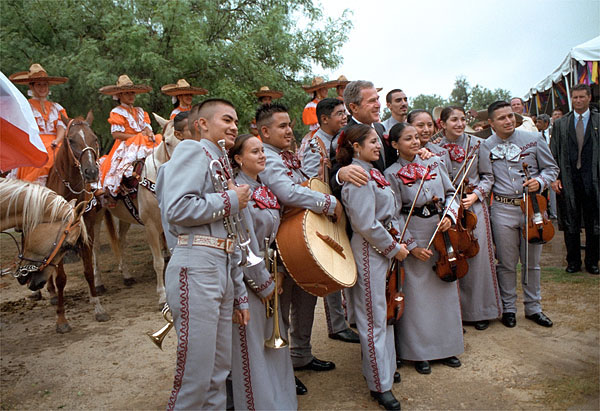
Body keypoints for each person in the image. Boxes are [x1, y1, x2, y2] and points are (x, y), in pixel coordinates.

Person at [156, 99, 251, 410]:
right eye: (226, 119)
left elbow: (232, 233)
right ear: (202, 125)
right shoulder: (193, 150)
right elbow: (178, 209)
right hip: (196, 265)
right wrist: (231, 199)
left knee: (218, 370)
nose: (234, 126)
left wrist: (238, 294)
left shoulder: (221, 163)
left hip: (219, 266)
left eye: (236, 121)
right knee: (195, 374)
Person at [256, 103, 342, 395]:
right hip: (279, 240)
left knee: (306, 298)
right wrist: (328, 202)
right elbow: (287, 192)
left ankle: (301, 355)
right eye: (282, 126)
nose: (289, 130)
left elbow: (302, 183)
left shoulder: (286, 154)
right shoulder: (264, 156)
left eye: (290, 124)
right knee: (281, 307)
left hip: (300, 236)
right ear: (264, 131)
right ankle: (281, 370)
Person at [338, 124, 409, 410]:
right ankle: (379, 385)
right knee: (373, 319)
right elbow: (365, 224)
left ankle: (385, 370)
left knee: (385, 313)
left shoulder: (373, 172)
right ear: (356, 146)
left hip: (384, 248)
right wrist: (393, 248)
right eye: (372, 142)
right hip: (370, 252)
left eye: (379, 141)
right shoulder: (357, 176)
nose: (378, 146)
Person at [384, 122, 463, 375]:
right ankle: (419, 353)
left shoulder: (435, 162)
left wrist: (450, 215)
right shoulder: (391, 174)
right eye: (408, 139)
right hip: (415, 231)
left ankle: (447, 346)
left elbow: (452, 193)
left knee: (444, 290)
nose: (415, 142)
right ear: (395, 145)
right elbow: (392, 215)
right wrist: (411, 245)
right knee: (418, 296)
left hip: (440, 230)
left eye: (417, 137)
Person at [228, 134, 297, 410]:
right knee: (252, 349)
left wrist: (278, 272)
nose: (261, 155)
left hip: (270, 275)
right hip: (249, 280)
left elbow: (275, 237)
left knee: (274, 345)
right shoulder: (238, 191)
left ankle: (280, 401)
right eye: (253, 151)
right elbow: (243, 242)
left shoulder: (265, 188)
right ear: (238, 159)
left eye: (262, 151)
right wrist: (262, 282)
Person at [480, 100, 559, 328]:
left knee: (532, 262)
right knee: (505, 263)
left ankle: (534, 307)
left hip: (533, 208)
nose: (508, 121)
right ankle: (508, 308)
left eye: (511, 116)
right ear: (491, 123)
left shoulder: (533, 139)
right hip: (502, 210)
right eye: (502, 118)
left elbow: (551, 169)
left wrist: (541, 181)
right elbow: (486, 177)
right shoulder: (486, 146)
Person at [300, 97, 360, 344]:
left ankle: (344, 318)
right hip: (326, 210)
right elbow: (310, 182)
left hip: (341, 208)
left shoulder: (340, 139)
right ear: (324, 119)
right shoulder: (315, 145)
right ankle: (336, 324)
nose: (344, 117)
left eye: (344, 112)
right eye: (339, 114)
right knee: (333, 264)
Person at [437, 106, 502, 330]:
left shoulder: (477, 145)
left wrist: (475, 195)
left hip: (472, 207)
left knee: (478, 256)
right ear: (442, 123)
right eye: (453, 120)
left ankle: (479, 310)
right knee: (451, 256)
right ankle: (454, 313)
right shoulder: (433, 149)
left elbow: (488, 176)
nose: (459, 123)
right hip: (446, 208)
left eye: (463, 119)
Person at [550, 84, 599, 275]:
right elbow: (552, 153)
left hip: (594, 179)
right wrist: (554, 178)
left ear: (589, 98)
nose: (578, 101)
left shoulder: (598, 121)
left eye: (581, 97)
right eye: (575, 97)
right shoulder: (561, 124)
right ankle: (573, 262)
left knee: (595, 222)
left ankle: (593, 261)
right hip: (568, 180)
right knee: (570, 222)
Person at [98, 75, 162, 197]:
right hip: (125, 143)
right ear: (119, 95)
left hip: (142, 140)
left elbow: (146, 126)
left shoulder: (140, 111)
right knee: (122, 166)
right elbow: (115, 134)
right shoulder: (117, 112)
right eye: (127, 93)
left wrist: (149, 133)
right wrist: (135, 137)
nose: (131, 96)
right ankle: (122, 191)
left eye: (132, 93)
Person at [9, 63, 69, 185]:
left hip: (55, 142)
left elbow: (61, 127)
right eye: (39, 85)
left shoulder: (57, 107)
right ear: (31, 87)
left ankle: (88, 187)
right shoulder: (25, 106)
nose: (42, 88)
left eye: (45, 85)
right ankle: (36, 183)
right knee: (44, 155)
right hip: (35, 142)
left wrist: (57, 140)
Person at [407, 109, 452, 175]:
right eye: (420, 125)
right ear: (408, 126)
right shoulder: (403, 153)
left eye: (430, 125)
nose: (426, 130)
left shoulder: (443, 152)